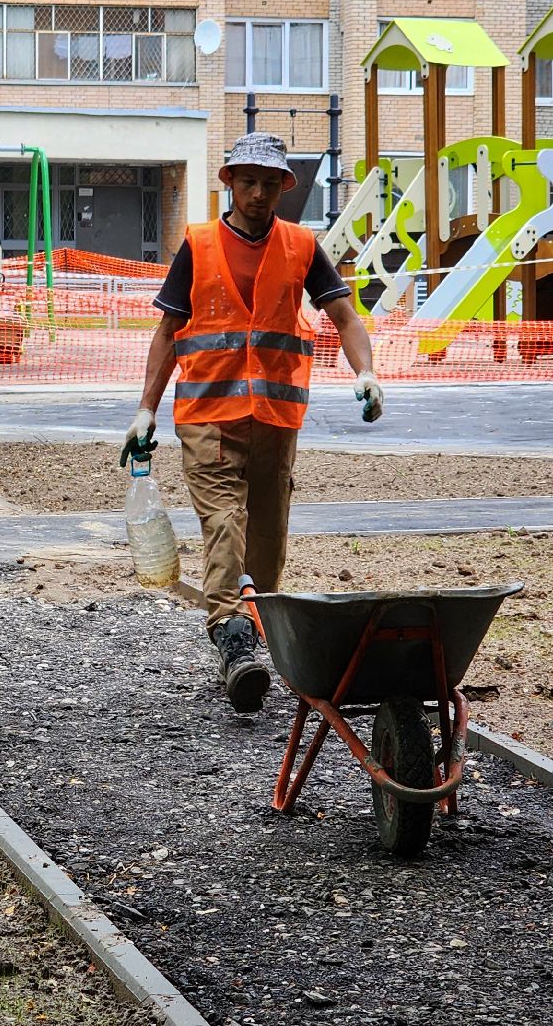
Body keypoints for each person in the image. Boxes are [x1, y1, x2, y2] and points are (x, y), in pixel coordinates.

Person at [120, 132, 384, 712]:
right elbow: (168, 333)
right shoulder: (199, 245)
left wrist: (366, 372)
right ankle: (233, 639)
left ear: (283, 187)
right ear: (230, 183)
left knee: (267, 541)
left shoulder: (301, 246)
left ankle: (257, 625)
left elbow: (344, 315)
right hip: (208, 418)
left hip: (275, 421)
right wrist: (146, 410)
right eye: (248, 181)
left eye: (270, 183)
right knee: (224, 524)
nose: (259, 193)